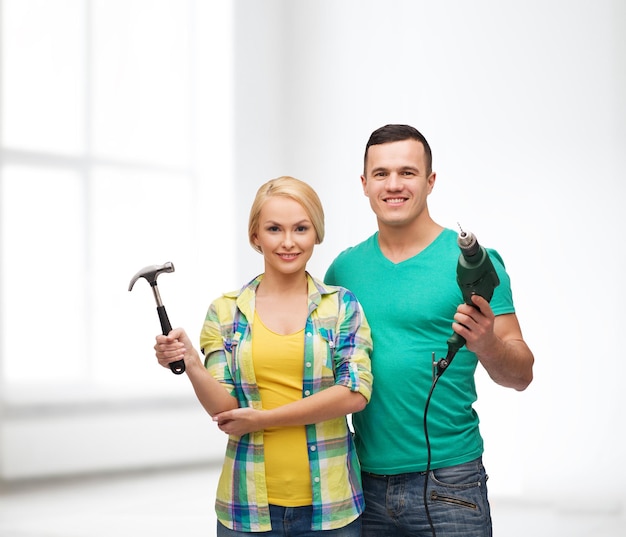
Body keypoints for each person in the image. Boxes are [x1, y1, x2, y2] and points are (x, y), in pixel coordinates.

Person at [324, 124, 534, 537]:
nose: (394, 184)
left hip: (450, 482)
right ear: (364, 184)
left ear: (430, 181)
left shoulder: (474, 264)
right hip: (358, 482)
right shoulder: (342, 271)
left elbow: (522, 375)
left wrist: (487, 343)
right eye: (381, 174)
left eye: (407, 172)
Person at [154, 176, 373, 536]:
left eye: (301, 228)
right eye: (274, 229)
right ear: (255, 235)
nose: (288, 242)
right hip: (246, 509)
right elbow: (223, 408)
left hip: (332, 510)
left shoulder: (341, 305)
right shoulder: (225, 312)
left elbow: (355, 392)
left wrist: (263, 419)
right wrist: (191, 361)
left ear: (315, 234)